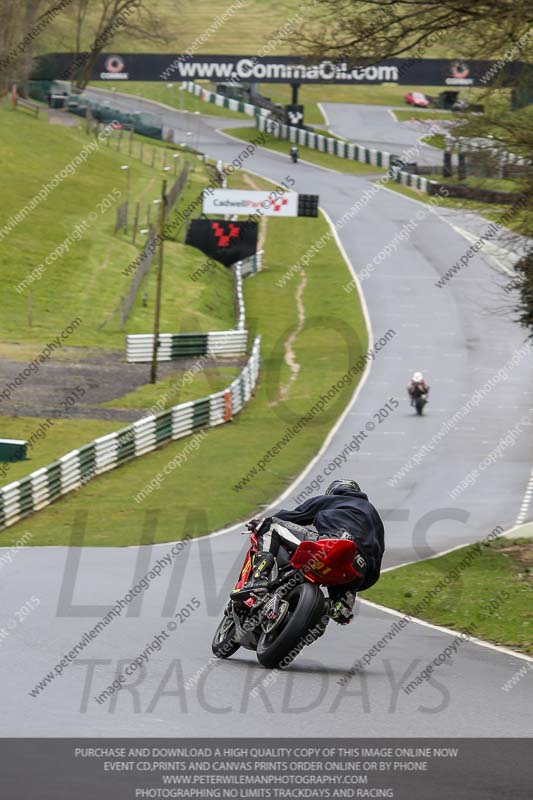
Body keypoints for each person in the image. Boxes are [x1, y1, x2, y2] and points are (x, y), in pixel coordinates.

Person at [231, 479, 385, 625]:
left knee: (270, 526)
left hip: (332, 545)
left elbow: (295, 516)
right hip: (360, 570)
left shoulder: (334, 500)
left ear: (334, 491)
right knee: (344, 584)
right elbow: (378, 555)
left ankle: (258, 580)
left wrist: (260, 522)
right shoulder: (375, 520)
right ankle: (342, 603)